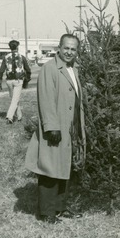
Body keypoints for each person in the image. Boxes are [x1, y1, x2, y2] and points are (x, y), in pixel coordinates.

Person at [24, 34, 85, 224]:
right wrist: (51, 127)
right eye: (66, 48)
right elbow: (46, 98)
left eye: (73, 49)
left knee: (64, 166)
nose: (69, 52)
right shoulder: (49, 69)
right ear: (59, 48)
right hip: (56, 127)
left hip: (70, 126)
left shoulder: (74, 69)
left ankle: (60, 207)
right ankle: (47, 212)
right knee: (50, 169)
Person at [0, 40, 31, 124]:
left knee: (14, 99)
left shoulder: (6, 57)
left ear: (10, 47)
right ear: (17, 47)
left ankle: (19, 116)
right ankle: (9, 117)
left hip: (9, 81)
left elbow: (1, 71)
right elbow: (28, 70)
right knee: (15, 100)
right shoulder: (22, 57)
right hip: (18, 80)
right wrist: (27, 78)